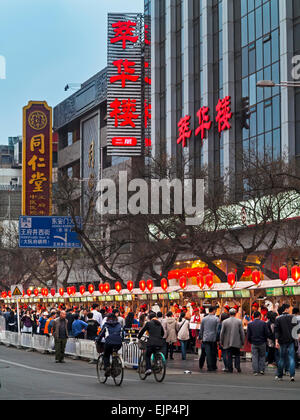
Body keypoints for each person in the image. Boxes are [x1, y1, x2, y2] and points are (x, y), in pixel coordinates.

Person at [275, 304, 297, 381]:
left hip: (282, 341)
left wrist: (276, 341)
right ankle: (292, 375)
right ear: (286, 309)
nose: (290, 309)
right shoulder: (293, 317)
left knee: (282, 358)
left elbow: (276, 332)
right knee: (291, 358)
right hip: (291, 340)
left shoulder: (278, 319)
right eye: (289, 308)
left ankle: (280, 376)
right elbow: (296, 329)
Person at [220, 308, 245, 373]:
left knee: (229, 355)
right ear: (235, 313)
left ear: (229, 313)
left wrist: (221, 341)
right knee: (237, 355)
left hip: (227, 342)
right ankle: (238, 367)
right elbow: (242, 332)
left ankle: (230, 368)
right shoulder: (239, 321)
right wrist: (243, 341)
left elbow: (222, 333)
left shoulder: (225, 322)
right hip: (237, 341)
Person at [247, 311, 271, 375]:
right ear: (259, 316)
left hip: (254, 342)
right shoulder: (264, 323)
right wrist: (265, 339)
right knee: (262, 356)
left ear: (253, 316)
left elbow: (248, 335)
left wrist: (250, 341)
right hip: (262, 342)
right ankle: (261, 370)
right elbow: (267, 333)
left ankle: (255, 370)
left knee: (254, 356)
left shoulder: (250, 324)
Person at [199, 306, 220, 371]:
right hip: (213, 338)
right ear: (213, 310)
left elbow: (201, 329)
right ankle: (213, 365)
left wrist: (200, 337)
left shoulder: (204, 319)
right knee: (213, 353)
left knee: (207, 353)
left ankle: (209, 366)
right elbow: (217, 330)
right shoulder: (216, 319)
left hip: (205, 338)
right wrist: (218, 339)